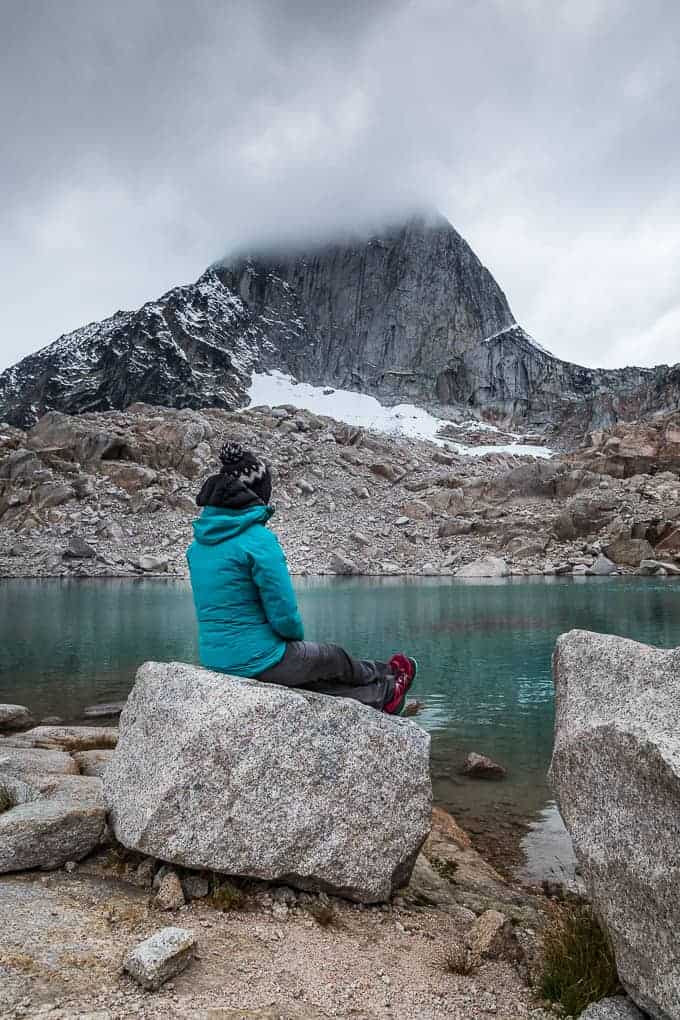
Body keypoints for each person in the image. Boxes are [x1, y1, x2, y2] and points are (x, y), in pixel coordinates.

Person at [186, 441, 417, 714]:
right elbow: (284, 615)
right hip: (258, 658)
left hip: (216, 659)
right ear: (256, 495)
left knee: (311, 680)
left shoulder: (197, 546)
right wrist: (294, 640)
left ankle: (381, 695)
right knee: (332, 657)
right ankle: (388, 679)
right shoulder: (258, 540)